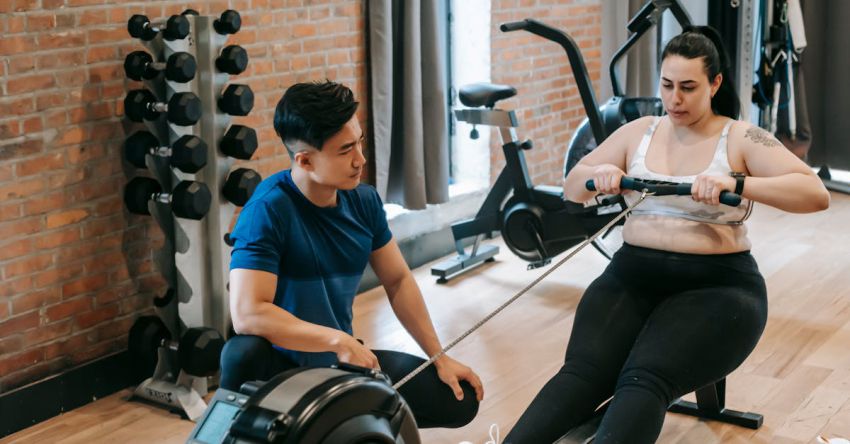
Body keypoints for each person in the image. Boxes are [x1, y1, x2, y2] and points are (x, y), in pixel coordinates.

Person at [505, 26, 829, 443]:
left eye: (689, 87)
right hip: (631, 278)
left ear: (714, 84)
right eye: (667, 85)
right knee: (581, 376)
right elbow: (572, 185)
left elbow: (814, 193)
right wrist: (599, 175)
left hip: (718, 288)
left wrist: (738, 184)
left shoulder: (740, 137)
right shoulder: (640, 130)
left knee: (643, 380)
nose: (675, 99)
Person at [220, 80, 483, 428]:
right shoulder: (267, 211)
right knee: (241, 352)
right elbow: (248, 313)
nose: (360, 159)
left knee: (456, 399)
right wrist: (337, 338)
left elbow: (398, 279)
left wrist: (438, 356)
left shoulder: (364, 201)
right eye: (345, 151)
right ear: (305, 160)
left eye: (359, 142)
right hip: (281, 368)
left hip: (338, 361)